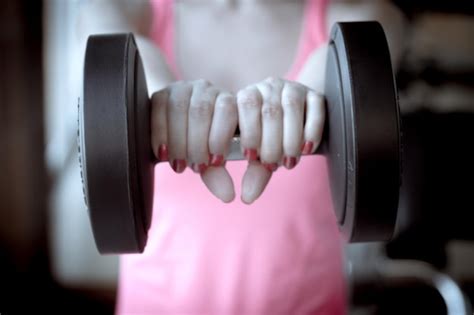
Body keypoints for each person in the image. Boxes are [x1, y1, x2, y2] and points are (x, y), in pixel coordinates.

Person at [78, 0, 405, 313]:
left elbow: (366, 45)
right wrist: (160, 96)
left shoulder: (359, 15)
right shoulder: (129, 13)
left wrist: (308, 100)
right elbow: (104, 31)